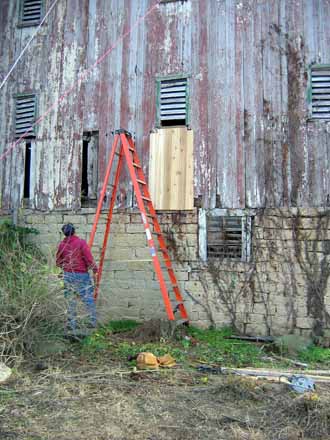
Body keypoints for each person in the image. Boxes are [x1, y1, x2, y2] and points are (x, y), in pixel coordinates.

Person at [56, 223, 98, 331]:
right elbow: (89, 258)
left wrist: (65, 268)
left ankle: (72, 325)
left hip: (68, 275)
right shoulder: (81, 243)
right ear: (74, 231)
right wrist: (95, 270)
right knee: (88, 298)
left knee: (70, 300)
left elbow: (58, 262)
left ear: (64, 233)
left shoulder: (62, 245)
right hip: (81, 275)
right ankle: (92, 322)